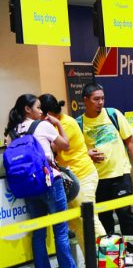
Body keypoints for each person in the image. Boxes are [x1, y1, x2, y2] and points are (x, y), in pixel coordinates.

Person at [4, 94, 79, 268]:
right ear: (27, 109)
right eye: (38, 107)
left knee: (39, 233)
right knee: (60, 229)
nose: (41, 111)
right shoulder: (43, 125)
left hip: (28, 186)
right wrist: (58, 124)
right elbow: (65, 145)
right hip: (50, 181)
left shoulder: (12, 132)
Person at [79, 83, 133, 262]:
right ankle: (113, 258)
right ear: (86, 100)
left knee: (125, 213)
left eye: (102, 98)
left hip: (120, 173)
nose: (100, 102)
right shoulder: (79, 124)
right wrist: (87, 154)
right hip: (96, 179)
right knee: (104, 219)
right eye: (96, 99)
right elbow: (75, 153)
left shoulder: (114, 115)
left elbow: (130, 141)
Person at [39, 94, 106, 258]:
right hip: (70, 179)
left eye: (40, 112)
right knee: (77, 224)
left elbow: (53, 148)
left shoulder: (65, 123)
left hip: (84, 175)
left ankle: (111, 262)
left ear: (47, 113)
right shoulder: (53, 123)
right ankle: (93, 264)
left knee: (89, 217)